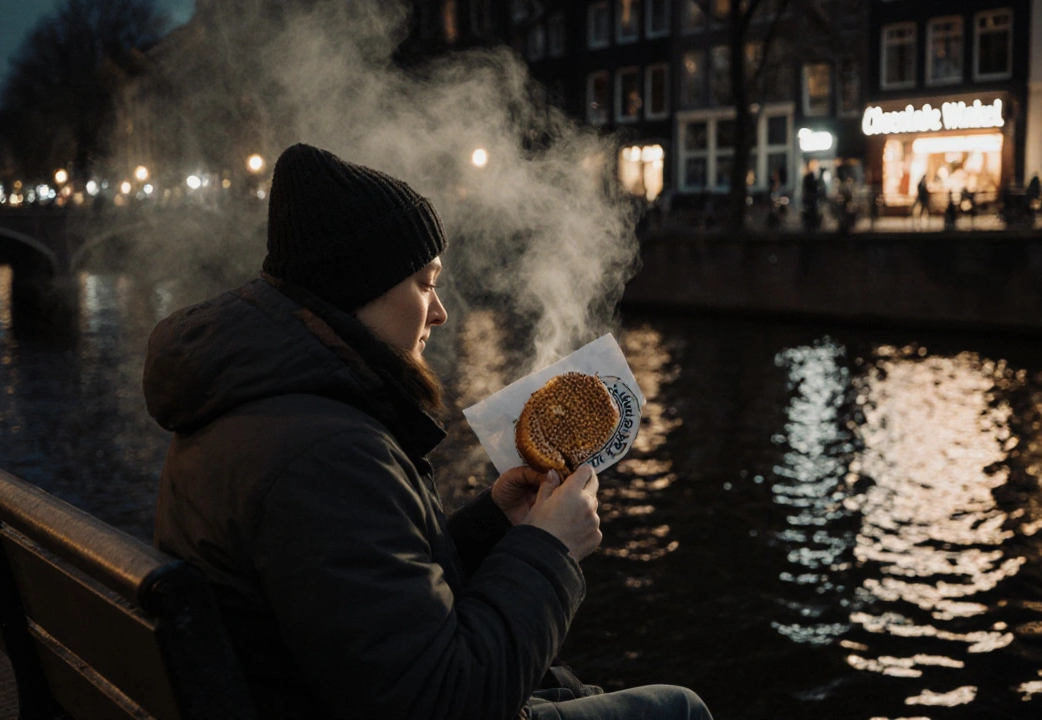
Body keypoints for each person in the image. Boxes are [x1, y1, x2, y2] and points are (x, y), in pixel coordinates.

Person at [144, 143, 712, 720]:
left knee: (584, 692)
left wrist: (496, 525)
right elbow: (448, 700)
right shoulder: (327, 454)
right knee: (679, 709)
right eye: (424, 282)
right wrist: (550, 548)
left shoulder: (260, 411)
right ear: (358, 288)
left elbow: (364, 598)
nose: (439, 312)